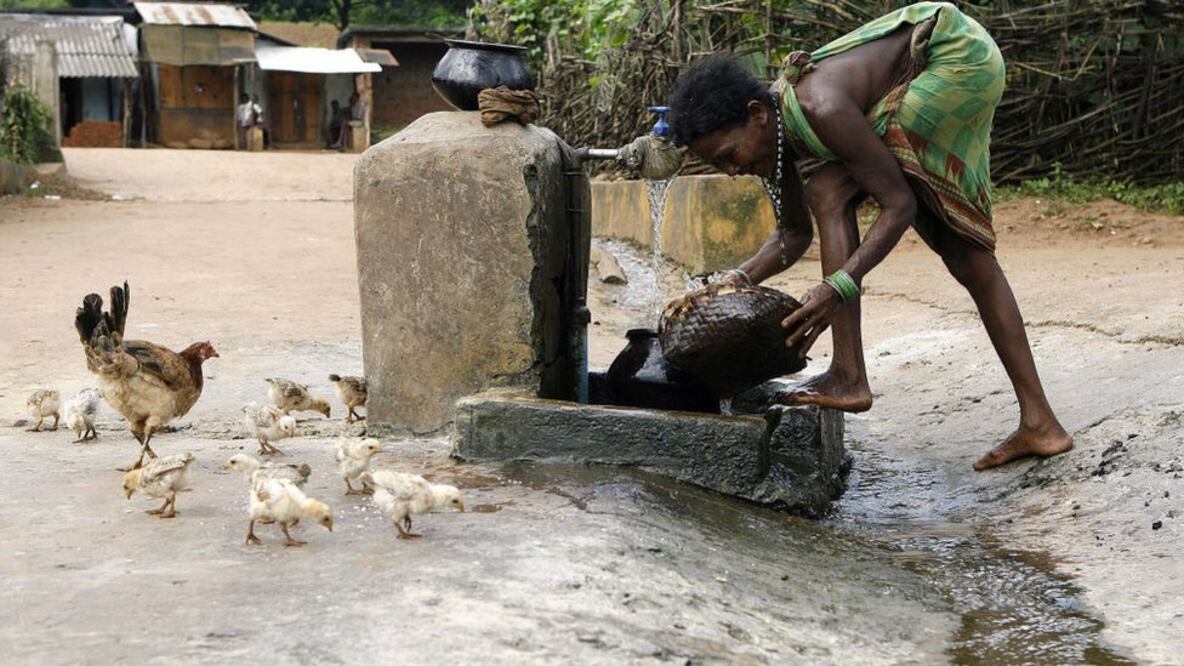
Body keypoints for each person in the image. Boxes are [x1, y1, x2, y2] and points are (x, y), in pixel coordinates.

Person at [667, 1, 1072, 471]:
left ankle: (848, 374)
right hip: (929, 70)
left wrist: (836, 287)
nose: (733, 171)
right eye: (719, 166)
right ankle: (1041, 423)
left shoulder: (821, 106)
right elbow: (793, 236)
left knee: (831, 191)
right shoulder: (773, 140)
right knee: (965, 257)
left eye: (729, 155)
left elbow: (898, 204)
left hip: (958, 57)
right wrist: (731, 281)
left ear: (757, 114)